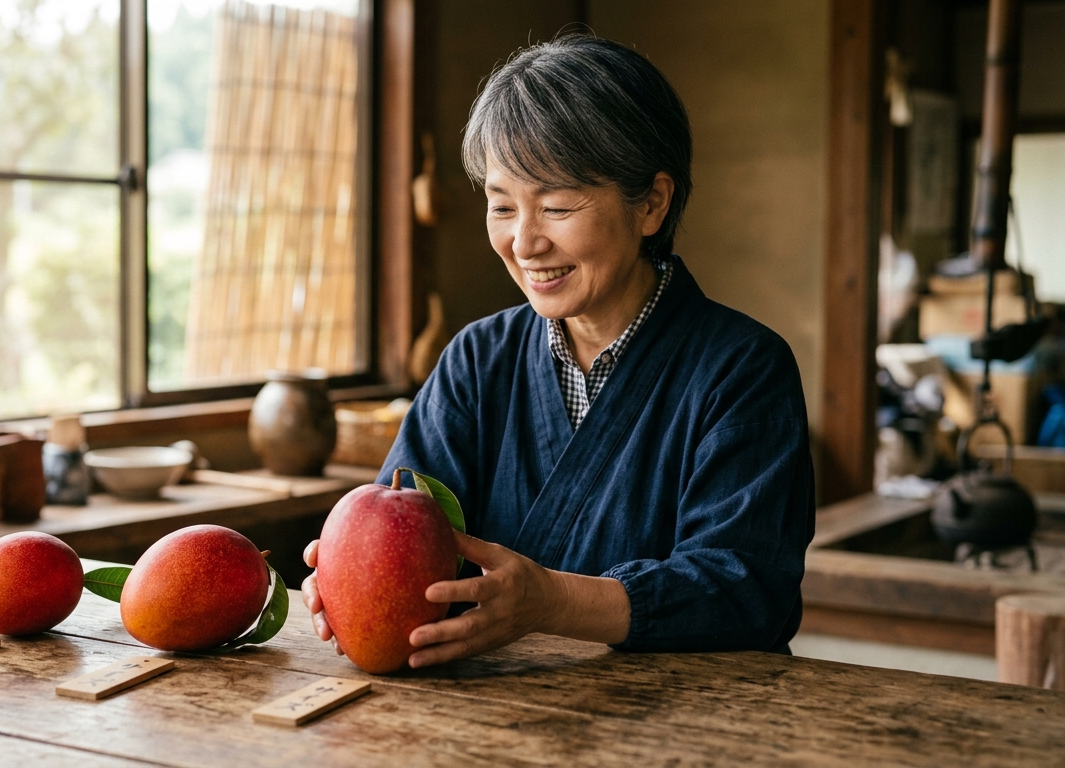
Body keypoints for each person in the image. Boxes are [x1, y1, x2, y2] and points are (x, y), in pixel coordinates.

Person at [301, 34, 815, 668]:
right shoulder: (475, 360)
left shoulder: (742, 369)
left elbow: (745, 590)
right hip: (494, 717)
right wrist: (353, 571)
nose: (524, 241)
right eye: (501, 206)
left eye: (557, 205)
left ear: (651, 203)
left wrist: (549, 602)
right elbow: (402, 523)